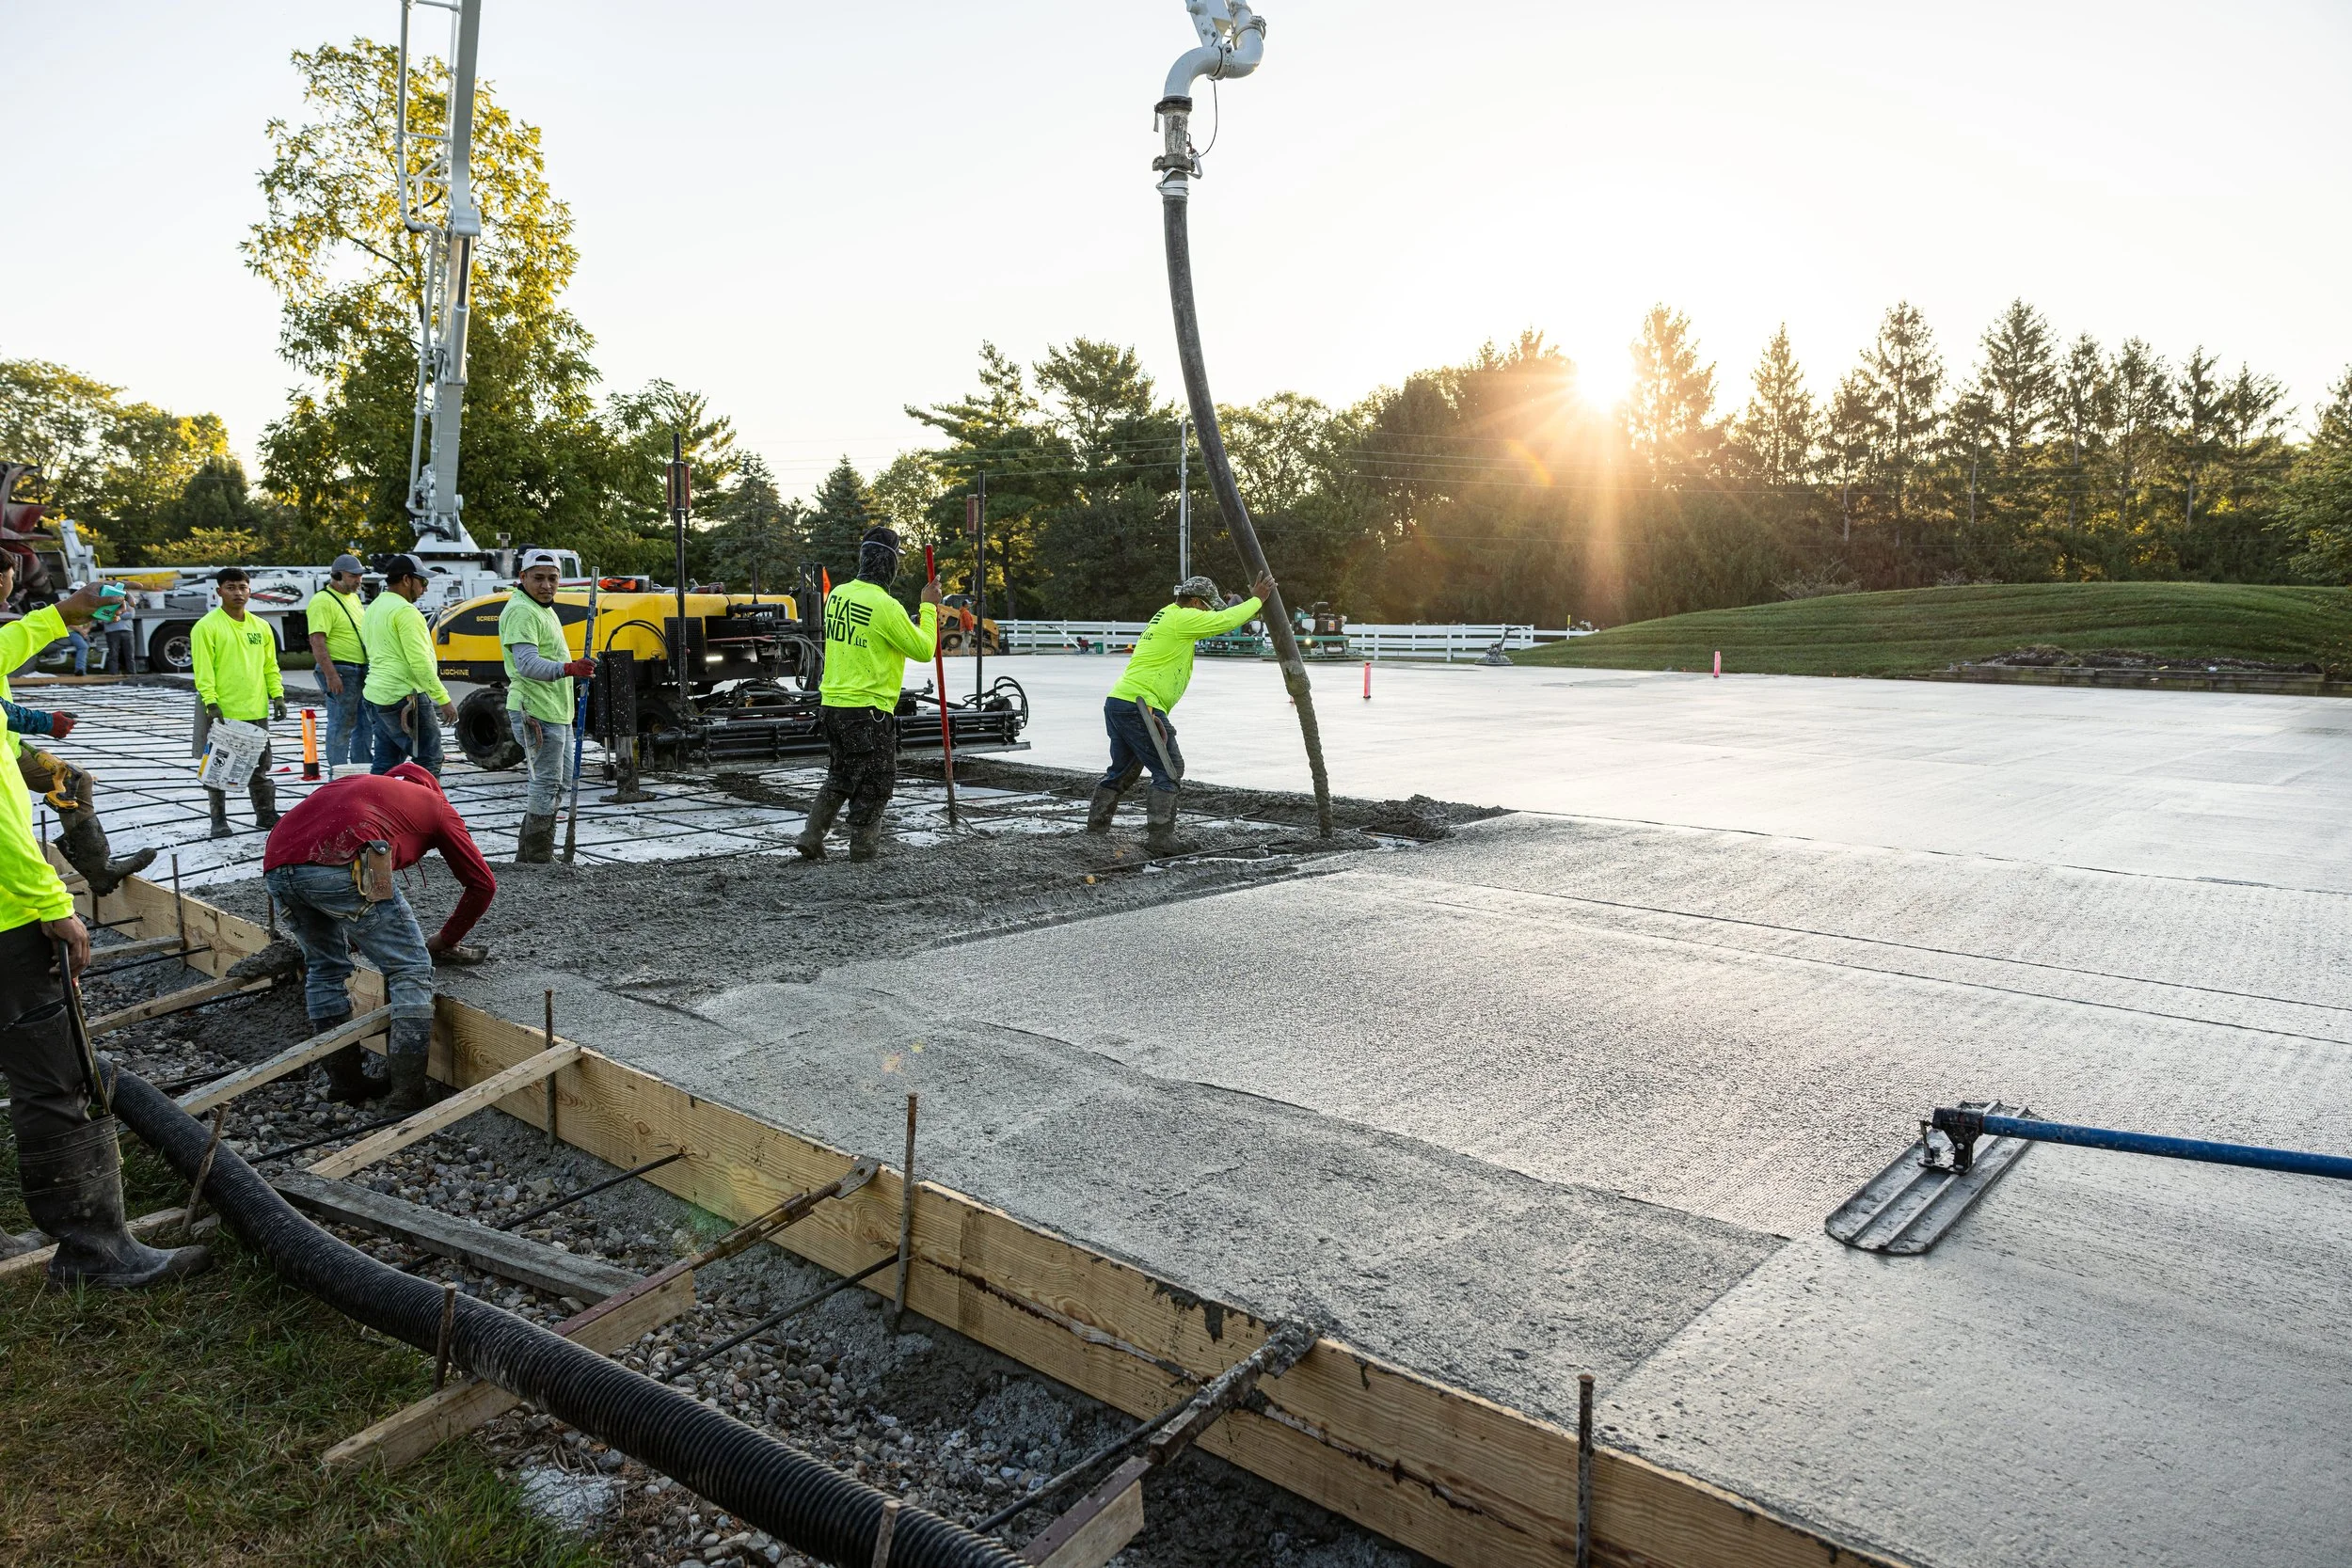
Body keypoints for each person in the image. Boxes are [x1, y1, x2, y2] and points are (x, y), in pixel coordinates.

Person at [0, 578, 208, 1286]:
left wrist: (59, 616)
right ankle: (95, 1250)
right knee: (53, 1076)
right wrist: (50, 900)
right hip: (6, 919)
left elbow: (6, 649)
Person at [262, 765, 497, 1112]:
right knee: (410, 969)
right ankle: (406, 1095)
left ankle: (346, 1083)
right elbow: (482, 884)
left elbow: (319, 855)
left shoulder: (360, 785)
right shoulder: (436, 805)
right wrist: (446, 940)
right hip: (342, 861)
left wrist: (357, 930)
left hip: (277, 862)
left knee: (324, 968)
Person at [1092, 570, 1275, 852]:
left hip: (1120, 701)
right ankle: (1160, 839)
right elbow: (1224, 621)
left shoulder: (1165, 614)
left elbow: (1219, 616)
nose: (1206, 613)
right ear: (1196, 602)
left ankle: (1095, 831)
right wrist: (1256, 601)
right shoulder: (1182, 617)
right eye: (1206, 607)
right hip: (1141, 705)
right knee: (1169, 769)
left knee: (1122, 771)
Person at [794, 526, 941, 863]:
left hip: (832, 707)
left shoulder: (839, 596)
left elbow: (871, 633)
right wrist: (929, 609)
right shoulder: (886, 605)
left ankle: (811, 835)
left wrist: (909, 621)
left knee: (841, 775)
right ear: (889, 563)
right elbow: (924, 649)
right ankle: (863, 851)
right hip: (868, 712)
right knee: (876, 782)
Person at [499, 548, 596, 863]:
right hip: (535, 710)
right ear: (522, 577)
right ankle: (539, 855)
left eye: (552, 578)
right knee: (546, 783)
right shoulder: (522, 612)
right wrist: (569, 669)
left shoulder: (542, 609)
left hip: (556, 710)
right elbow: (527, 664)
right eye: (538, 578)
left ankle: (528, 855)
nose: (546, 585)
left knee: (560, 781)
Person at [4, 703, 154, 895]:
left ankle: (100, 869)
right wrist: (46, 722)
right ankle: (97, 872)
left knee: (76, 778)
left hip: (8, 744)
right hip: (4, 751)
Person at [190, 566, 287, 840]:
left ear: (250, 590)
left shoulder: (261, 627)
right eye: (231, 587)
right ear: (219, 591)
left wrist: (277, 695)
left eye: (243, 587)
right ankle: (218, 821)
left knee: (260, 766)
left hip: (256, 709)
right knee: (217, 768)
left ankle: (265, 814)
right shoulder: (207, 627)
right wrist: (211, 702)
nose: (238, 593)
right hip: (223, 711)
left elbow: (270, 666)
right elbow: (204, 670)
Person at [361, 553, 454, 775]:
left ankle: (377, 808)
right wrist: (443, 699)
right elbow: (419, 662)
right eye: (422, 582)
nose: (425, 589)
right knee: (429, 761)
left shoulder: (374, 607)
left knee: (386, 763)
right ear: (406, 580)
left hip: (378, 697)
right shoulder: (405, 611)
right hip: (405, 699)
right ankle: (422, 809)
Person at [305, 554, 372, 774]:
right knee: (342, 725)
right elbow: (317, 640)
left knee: (365, 724)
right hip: (341, 671)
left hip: (360, 670)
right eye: (353, 576)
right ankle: (339, 773)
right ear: (336, 575)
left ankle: (362, 772)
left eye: (360, 576)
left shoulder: (352, 598)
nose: (358, 581)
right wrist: (331, 675)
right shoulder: (323, 601)